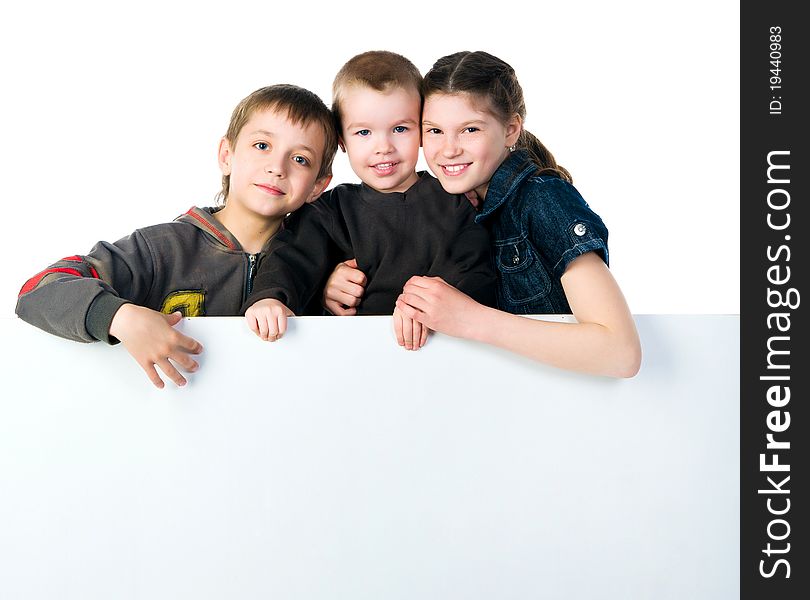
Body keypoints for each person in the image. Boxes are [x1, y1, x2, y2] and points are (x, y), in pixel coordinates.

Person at [327, 51, 642, 377]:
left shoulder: (543, 200)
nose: (449, 149)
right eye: (434, 131)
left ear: (510, 130)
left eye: (470, 130)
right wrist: (331, 284)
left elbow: (621, 352)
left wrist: (472, 319)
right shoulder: (446, 208)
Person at [16, 84, 337, 388]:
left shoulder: (322, 265)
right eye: (262, 146)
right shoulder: (160, 250)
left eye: (300, 159)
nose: (277, 167)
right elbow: (39, 289)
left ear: (318, 185)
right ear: (227, 155)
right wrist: (121, 316)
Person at [243, 51, 495, 349]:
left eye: (400, 129)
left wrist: (428, 304)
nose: (383, 147)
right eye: (363, 132)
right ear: (342, 142)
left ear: (423, 131)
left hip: (441, 353)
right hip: (350, 356)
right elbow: (292, 259)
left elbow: (478, 271)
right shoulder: (330, 211)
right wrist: (273, 297)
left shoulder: (455, 201)